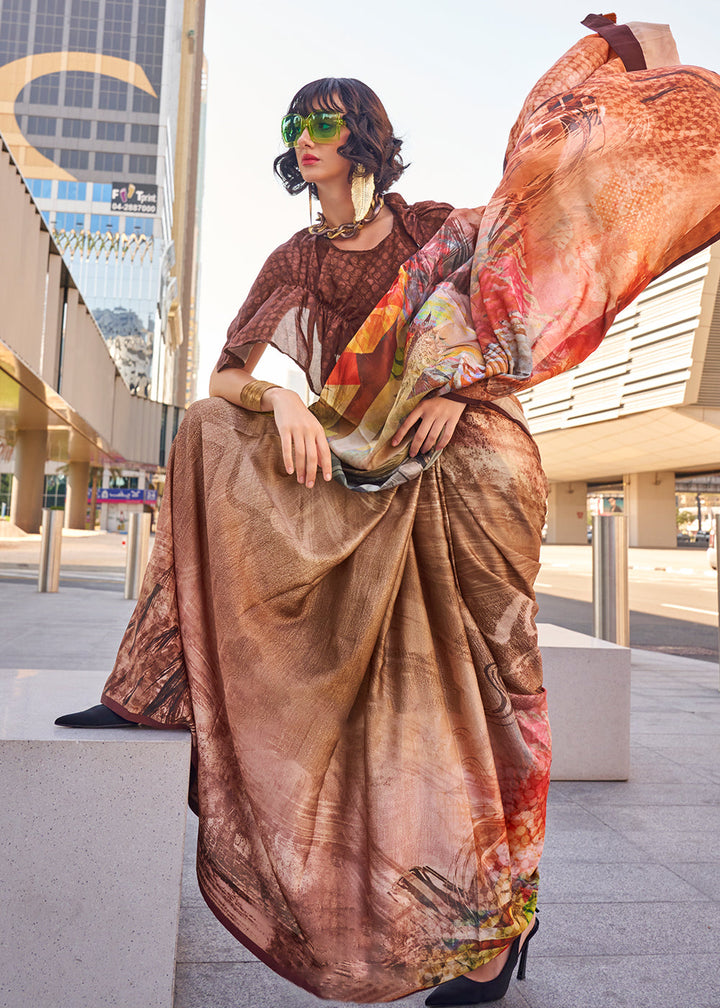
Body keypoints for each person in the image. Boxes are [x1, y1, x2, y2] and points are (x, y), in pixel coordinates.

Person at [56, 14, 720, 1005]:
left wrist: (463, 383)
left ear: (362, 133)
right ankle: (157, 683)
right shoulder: (295, 261)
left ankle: (500, 928)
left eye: (322, 120)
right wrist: (280, 395)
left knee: (496, 697)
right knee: (202, 427)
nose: (303, 136)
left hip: (468, 461)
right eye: (294, 124)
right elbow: (229, 374)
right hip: (354, 468)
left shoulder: (435, 229)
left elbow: (534, 247)